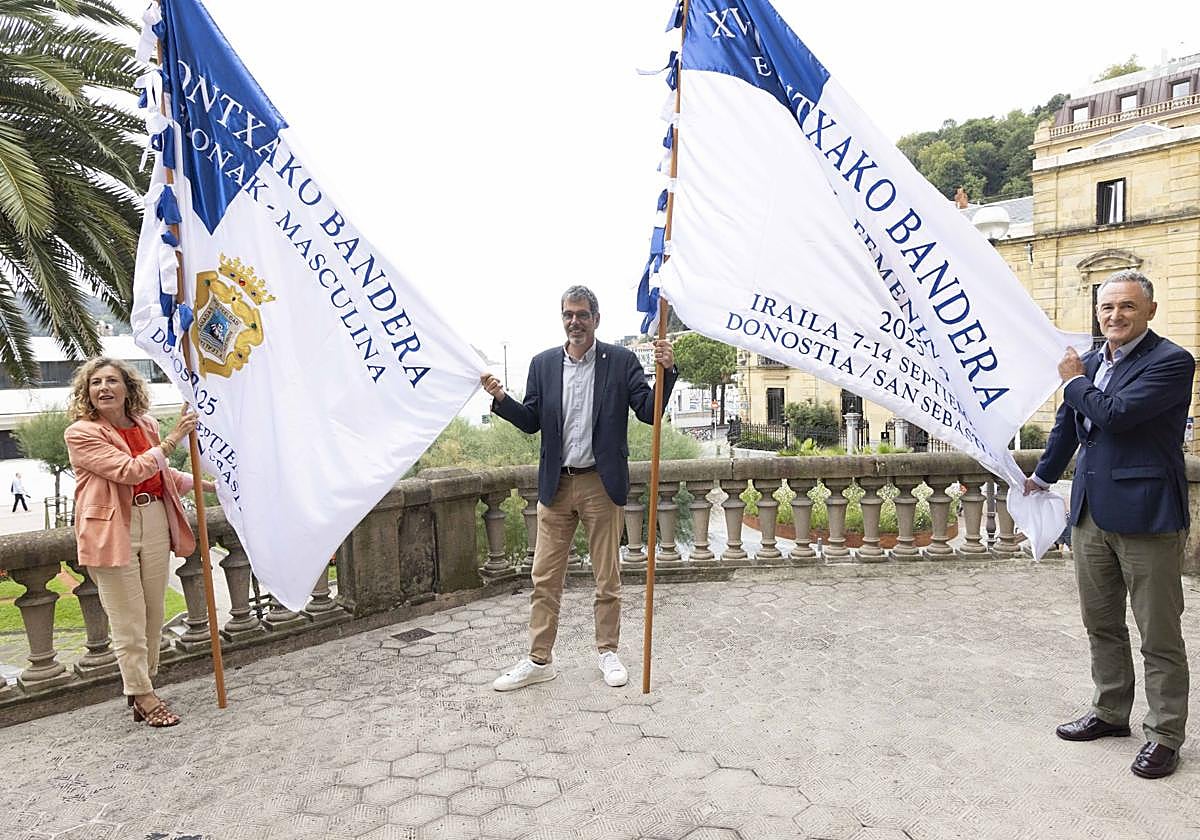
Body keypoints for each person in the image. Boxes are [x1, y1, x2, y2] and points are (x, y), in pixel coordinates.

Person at [1025, 270, 1192, 779]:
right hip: (1090, 514)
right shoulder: (1092, 362)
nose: (1115, 316)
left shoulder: (1172, 361)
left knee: (1158, 633)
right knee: (1101, 623)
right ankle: (1109, 712)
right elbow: (1066, 429)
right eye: (1106, 308)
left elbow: (1115, 414)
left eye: (1126, 307)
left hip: (1148, 515)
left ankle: (1164, 734)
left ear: (1150, 311)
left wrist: (1074, 381)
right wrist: (1041, 476)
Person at [482, 285, 677, 691]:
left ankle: (607, 652)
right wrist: (502, 399)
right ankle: (539, 660)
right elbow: (532, 420)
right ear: (563, 319)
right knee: (544, 578)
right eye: (569, 314)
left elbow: (649, 413)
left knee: (607, 578)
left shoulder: (620, 362)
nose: (575, 322)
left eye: (582, 314)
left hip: (600, 485)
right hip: (556, 486)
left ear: (596, 319)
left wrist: (667, 371)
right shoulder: (542, 365)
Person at [65, 358, 213, 727]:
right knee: (127, 620)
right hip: (113, 528)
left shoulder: (145, 424)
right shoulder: (81, 433)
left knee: (153, 613)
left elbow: (160, 471)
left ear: (128, 388)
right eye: (95, 382)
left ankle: (142, 686)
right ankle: (143, 694)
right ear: (87, 392)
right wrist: (175, 436)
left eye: (112, 380)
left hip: (154, 519)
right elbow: (130, 471)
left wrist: (210, 485)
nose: (103, 388)